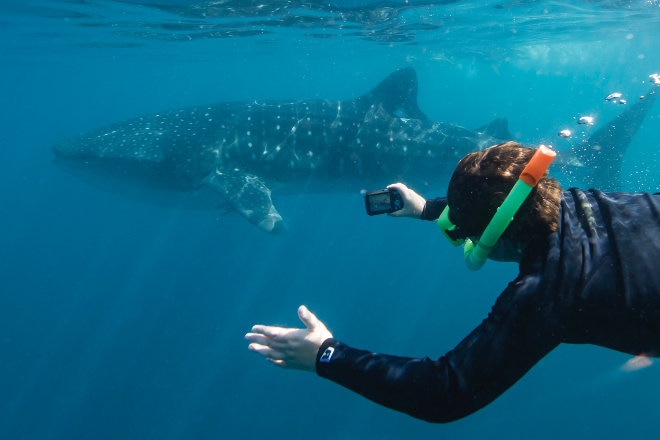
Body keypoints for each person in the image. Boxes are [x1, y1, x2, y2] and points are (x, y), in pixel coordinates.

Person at [244, 141, 660, 423]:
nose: (461, 235)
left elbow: (447, 391)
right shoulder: (589, 202)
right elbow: (513, 203)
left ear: (490, 236)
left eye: (465, 231)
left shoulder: (547, 290)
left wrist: (326, 355)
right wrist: (427, 209)